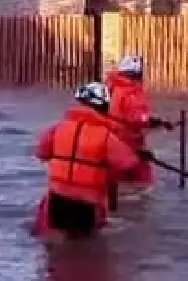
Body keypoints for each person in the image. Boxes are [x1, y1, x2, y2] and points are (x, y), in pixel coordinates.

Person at [32, 81, 144, 240]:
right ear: (103, 107)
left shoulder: (57, 129)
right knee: (85, 246)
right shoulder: (106, 136)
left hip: (58, 199)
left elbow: (41, 153)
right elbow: (128, 164)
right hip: (87, 202)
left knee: (59, 244)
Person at [106, 54, 173, 186]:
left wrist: (156, 123)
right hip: (129, 142)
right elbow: (137, 118)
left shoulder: (112, 89)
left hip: (114, 140)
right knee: (143, 180)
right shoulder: (130, 92)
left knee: (117, 178)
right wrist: (156, 122)